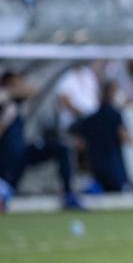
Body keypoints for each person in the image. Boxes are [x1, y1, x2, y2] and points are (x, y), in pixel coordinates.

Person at [0, 71, 83, 211]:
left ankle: (68, 194)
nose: (21, 87)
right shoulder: (5, 105)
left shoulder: (17, 103)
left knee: (62, 149)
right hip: (7, 158)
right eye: (16, 84)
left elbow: (34, 90)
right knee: (7, 190)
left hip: (23, 152)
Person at [69, 80, 133, 193]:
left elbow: (73, 132)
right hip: (115, 170)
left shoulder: (91, 118)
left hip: (95, 169)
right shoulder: (116, 116)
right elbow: (127, 139)